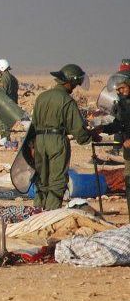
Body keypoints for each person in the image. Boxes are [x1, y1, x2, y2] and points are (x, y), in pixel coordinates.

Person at [30, 64, 98, 210]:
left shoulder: (42, 97)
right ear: (70, 82)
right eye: (75, 83)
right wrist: (91, 136)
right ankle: (51, 214)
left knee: (41, 179)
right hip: (57, 141)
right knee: (57, 180)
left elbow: (33, 124)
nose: (75, 87)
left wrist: (32, 145)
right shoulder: (67, 101)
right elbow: (78, 129)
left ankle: (37, 211)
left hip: (39, 141)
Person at [100, 78, 130, 217]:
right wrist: (102, 128)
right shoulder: (123, 106)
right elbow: (120, 124)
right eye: (118, 90)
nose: (120, 92)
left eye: (123, 88)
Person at [0, 58, 19, 144]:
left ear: (2, 68)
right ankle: (6, 141)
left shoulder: (5, 78)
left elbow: (1, 93)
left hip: (5, 105)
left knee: (3, 124)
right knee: (6, 124)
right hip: (11, 104)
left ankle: (6, 141)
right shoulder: (13, 78)